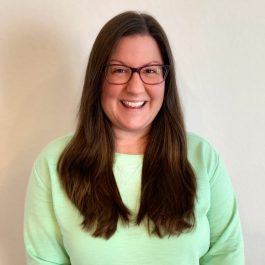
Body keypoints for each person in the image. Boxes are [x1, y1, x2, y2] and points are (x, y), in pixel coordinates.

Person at [24, 11, 244, 265]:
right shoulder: (54, 162)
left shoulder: (202, 157)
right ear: (98, 79)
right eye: (119, 70)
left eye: (150, 70)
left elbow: (226, 255)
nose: (135, 87)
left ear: (165, 80)